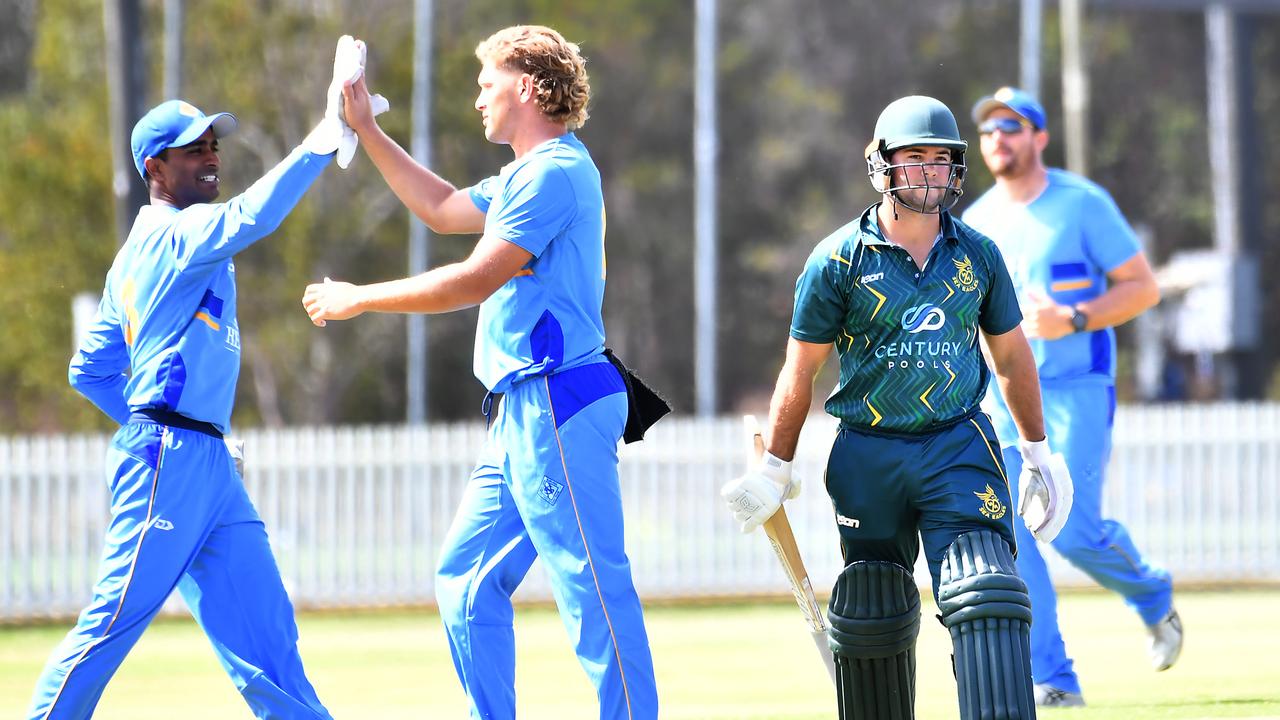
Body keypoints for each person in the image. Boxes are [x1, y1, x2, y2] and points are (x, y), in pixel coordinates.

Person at [301, 25, 660, 720]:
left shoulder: (555, 172)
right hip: (521, 413)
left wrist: (360, 297)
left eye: (486, 83)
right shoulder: (528, 174)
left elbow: (472, 280)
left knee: (592, 592)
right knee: (464, 581)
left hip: (557, 402)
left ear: (525, 87)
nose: (477, 99)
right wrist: (366, 129)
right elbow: (438, 209)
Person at [24, 38, 366, 720]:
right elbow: (252, 216)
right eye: (194, 149)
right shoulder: (174, 236)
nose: (212, 157)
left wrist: (180, 425)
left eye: (214, 145)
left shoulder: (143, 252)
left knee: (268, 642)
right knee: (111, 623)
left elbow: (88, 370)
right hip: (169, 461)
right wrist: (324, 139)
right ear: (155, 166)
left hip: (207, 460)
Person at [721, 95, 1073, 720]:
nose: (930, 172)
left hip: (958, 443)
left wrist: (1039, 450)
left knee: (986, 590)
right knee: (873, 612)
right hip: (868, 452)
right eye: (914, 157)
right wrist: (776, 467)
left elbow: (1013, 359)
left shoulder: (978, 255)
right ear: (881, 164)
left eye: (942, 160)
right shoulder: (836, 261)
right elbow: (801, 371)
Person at [962, 86, 1180, 708]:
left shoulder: (1082, 204)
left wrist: (1075, 318)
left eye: (1011, 127)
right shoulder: (974, 224)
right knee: (1016, 534)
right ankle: (1053, 679)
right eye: (988, 131)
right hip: (1003, 396)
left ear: (1039, 137)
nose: (998, 139)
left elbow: (1144, 289)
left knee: (1074, 529)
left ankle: (1151, 595)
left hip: (1076, 389)